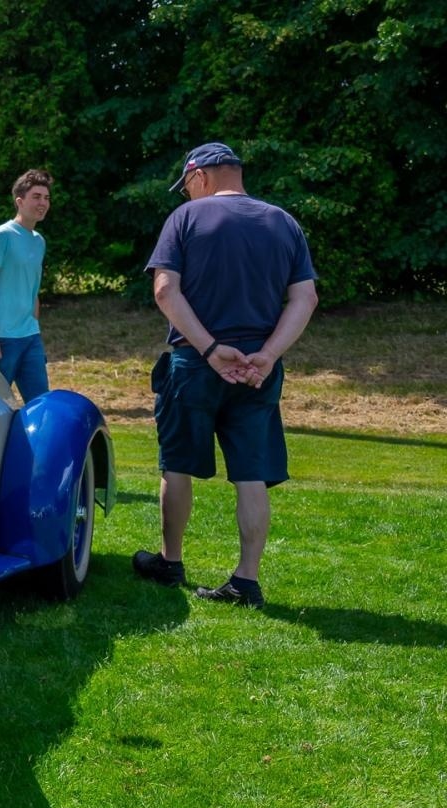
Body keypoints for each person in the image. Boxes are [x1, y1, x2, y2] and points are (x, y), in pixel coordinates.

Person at [131, 142, 318, 609]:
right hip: (257, 371)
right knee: (251, 474)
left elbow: (164, 290)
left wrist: (211, 349)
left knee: (177, 464)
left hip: (195, 365)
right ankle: (246, 581)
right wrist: (268, 355)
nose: (186, 194)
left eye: (186, 186)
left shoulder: (185, 219)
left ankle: (170, 562)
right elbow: (305, 298)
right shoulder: (284, 222)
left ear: (200, 176)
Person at [0, 169, 54, 402]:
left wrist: (34, 324)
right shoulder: (1, 235)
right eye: (36, 197)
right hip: (1, 336)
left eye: (46, 198)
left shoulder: (39, 241)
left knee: (40, 402)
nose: (42, 203)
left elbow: (33, 289)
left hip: (29, 335)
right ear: (19, 201)